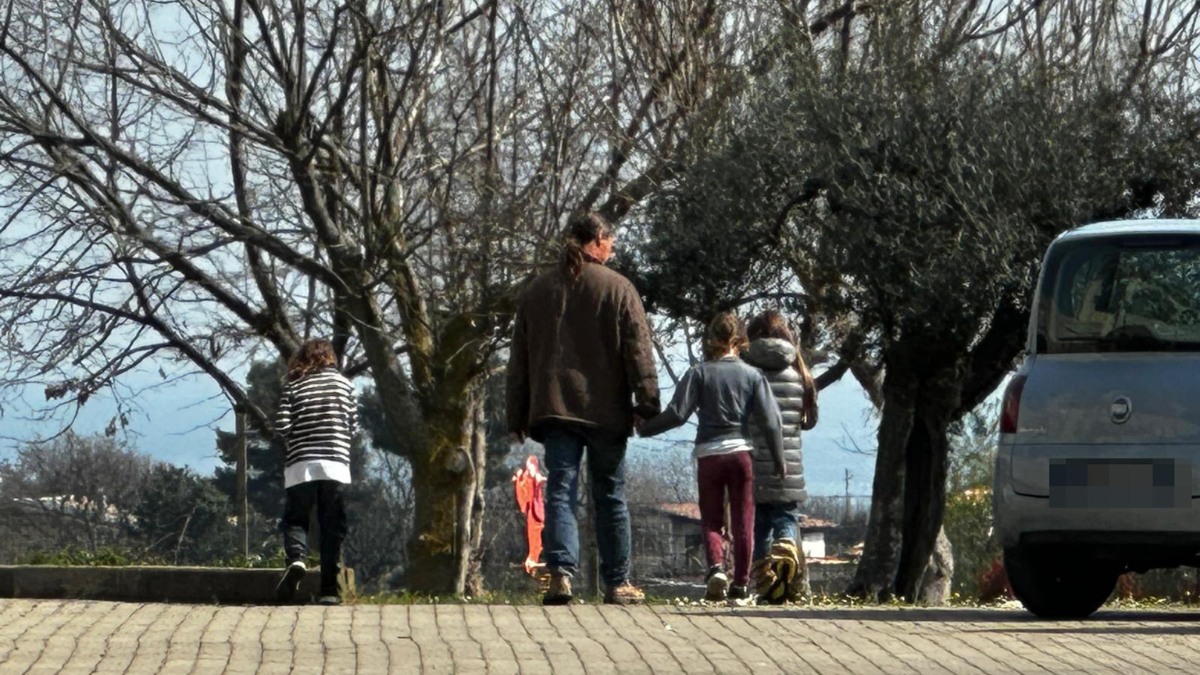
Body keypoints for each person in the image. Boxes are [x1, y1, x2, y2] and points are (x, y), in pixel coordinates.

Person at [506, 212, 660, 606]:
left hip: (554, 407)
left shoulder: (537, 291)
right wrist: (646, 402)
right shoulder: (619, 288)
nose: (613, 248)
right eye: (610, 240)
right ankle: (617, 581)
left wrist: (516, 412)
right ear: (598, 241)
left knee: (560, 490)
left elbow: (520, 359)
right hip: (607, 410)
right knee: (610, 494)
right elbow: (638, 349)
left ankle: (560, 573)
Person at [638, 313, 785, 602]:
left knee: (711, 519)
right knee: (744, 521)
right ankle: (741, 584)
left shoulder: (698, 373)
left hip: (709, 455)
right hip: (741, 454)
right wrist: (779, 458)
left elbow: (677, 414)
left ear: (711, 340)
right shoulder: (753, 375)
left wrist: (645, 429)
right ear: (739, 341)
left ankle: (716, 568)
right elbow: (771, 421)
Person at [274, 339, 358, 606]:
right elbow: (353, 427)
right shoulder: (346, 385)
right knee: (331, 527)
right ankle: (329, 591)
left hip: (301, 464)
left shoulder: (295, 385)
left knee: (296, 519)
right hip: (335, 466)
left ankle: (297, 558)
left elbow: (282, 425)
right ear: (330, 357)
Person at [743, 310, 819, 603]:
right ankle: (786, 543)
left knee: (759, 523)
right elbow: (809, 421)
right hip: (787, 463)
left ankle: (766, 583)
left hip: (751, 461)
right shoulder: (800, 373)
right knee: (785, 514)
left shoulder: (745, 371)